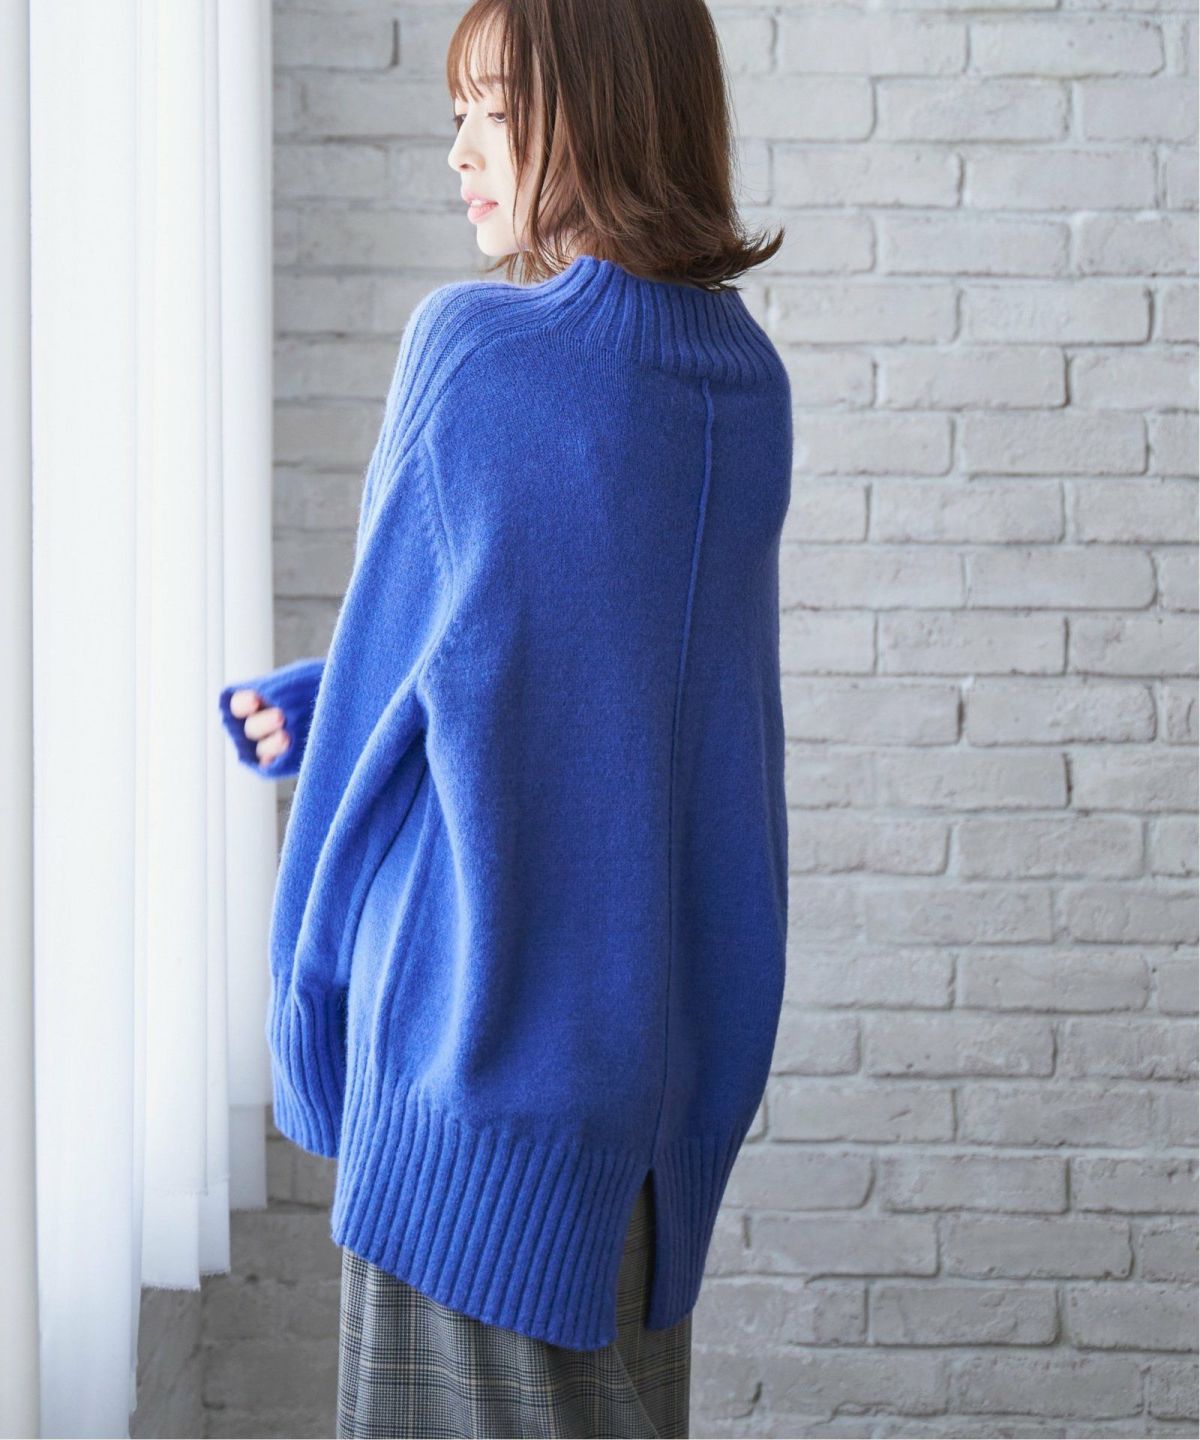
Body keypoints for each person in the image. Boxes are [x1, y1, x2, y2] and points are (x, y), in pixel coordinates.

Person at [219, 1, 791, 1435]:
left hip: (468, 1092)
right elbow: (632, 693)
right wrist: (337, 695)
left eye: (493, 107)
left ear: (599, 107)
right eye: (456, 113)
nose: (460, 151)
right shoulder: (745, 388)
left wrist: (303, 1018)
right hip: (642, 1133)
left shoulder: (473, 351)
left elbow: (380, 726)